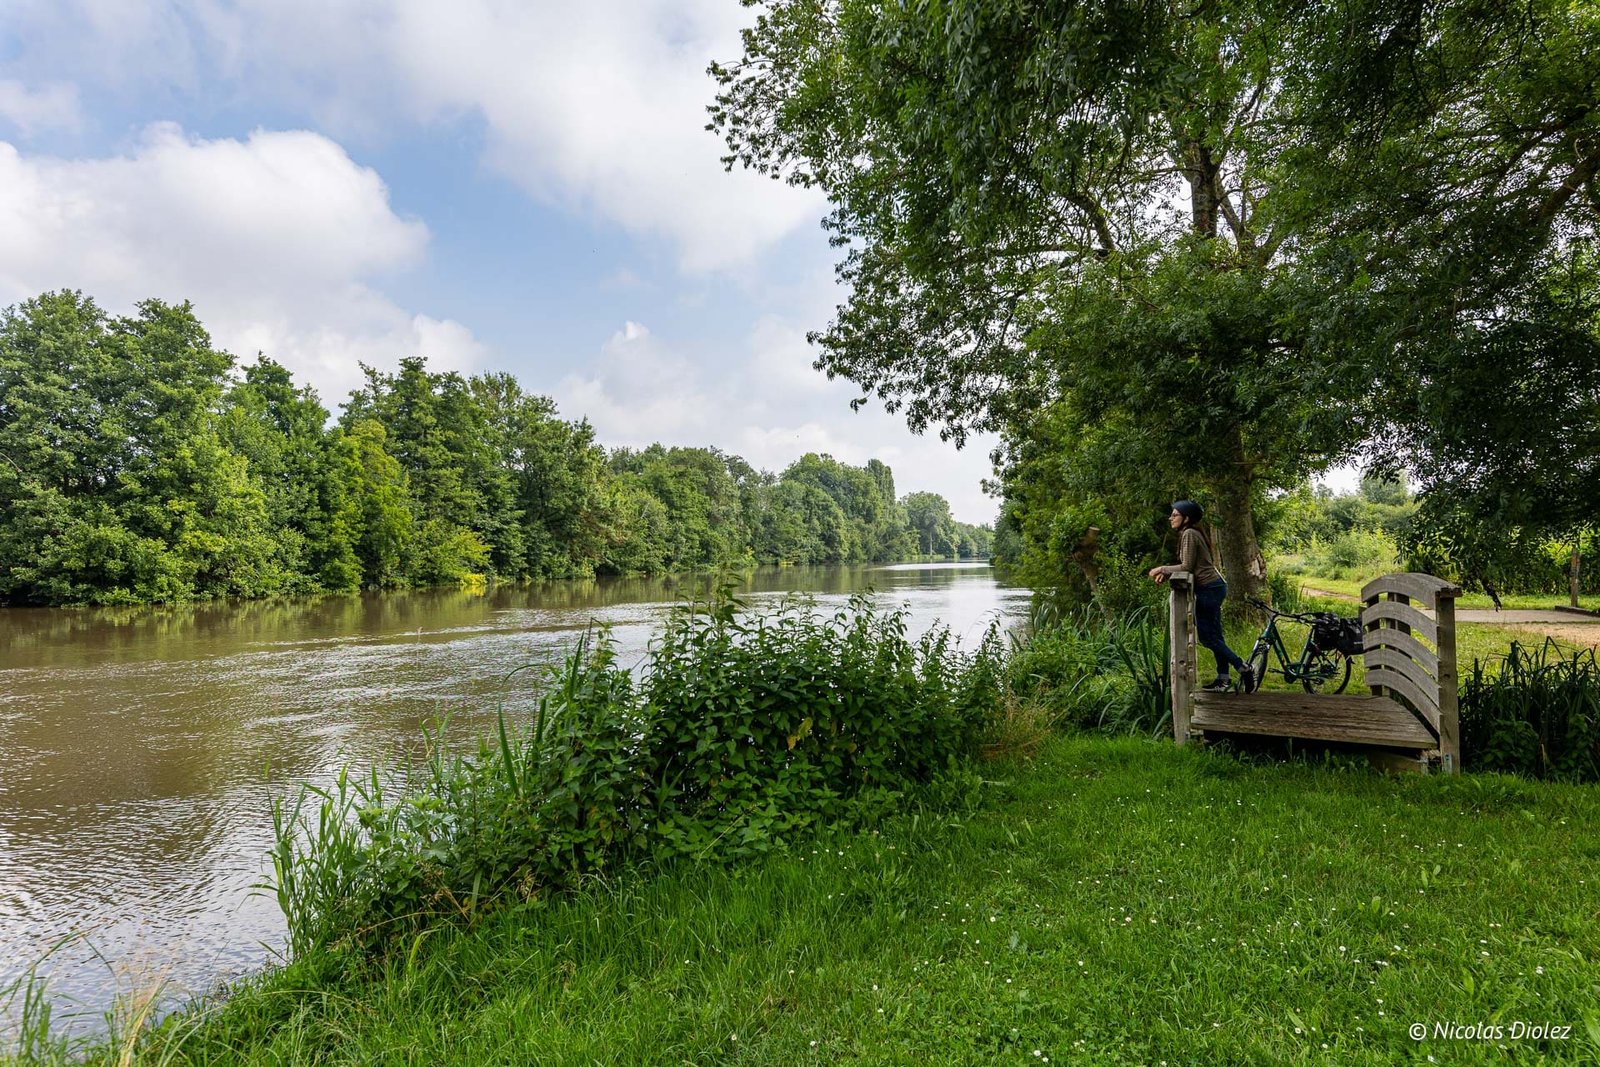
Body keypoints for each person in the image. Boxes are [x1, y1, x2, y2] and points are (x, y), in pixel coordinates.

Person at [1148, 500, 1255, 692]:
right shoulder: (1192, 533)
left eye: (1175, 514)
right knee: (1215, 636)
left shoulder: (1189, 533)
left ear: (1186, 518)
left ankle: (1243, 667)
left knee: (1208, 638)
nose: (1170, 518)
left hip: (1209, 589)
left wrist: (1161, 569)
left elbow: (1187, 567)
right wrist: (1167, 574)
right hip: (1214, 587)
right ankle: (1223, 678)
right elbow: (1190, 566)